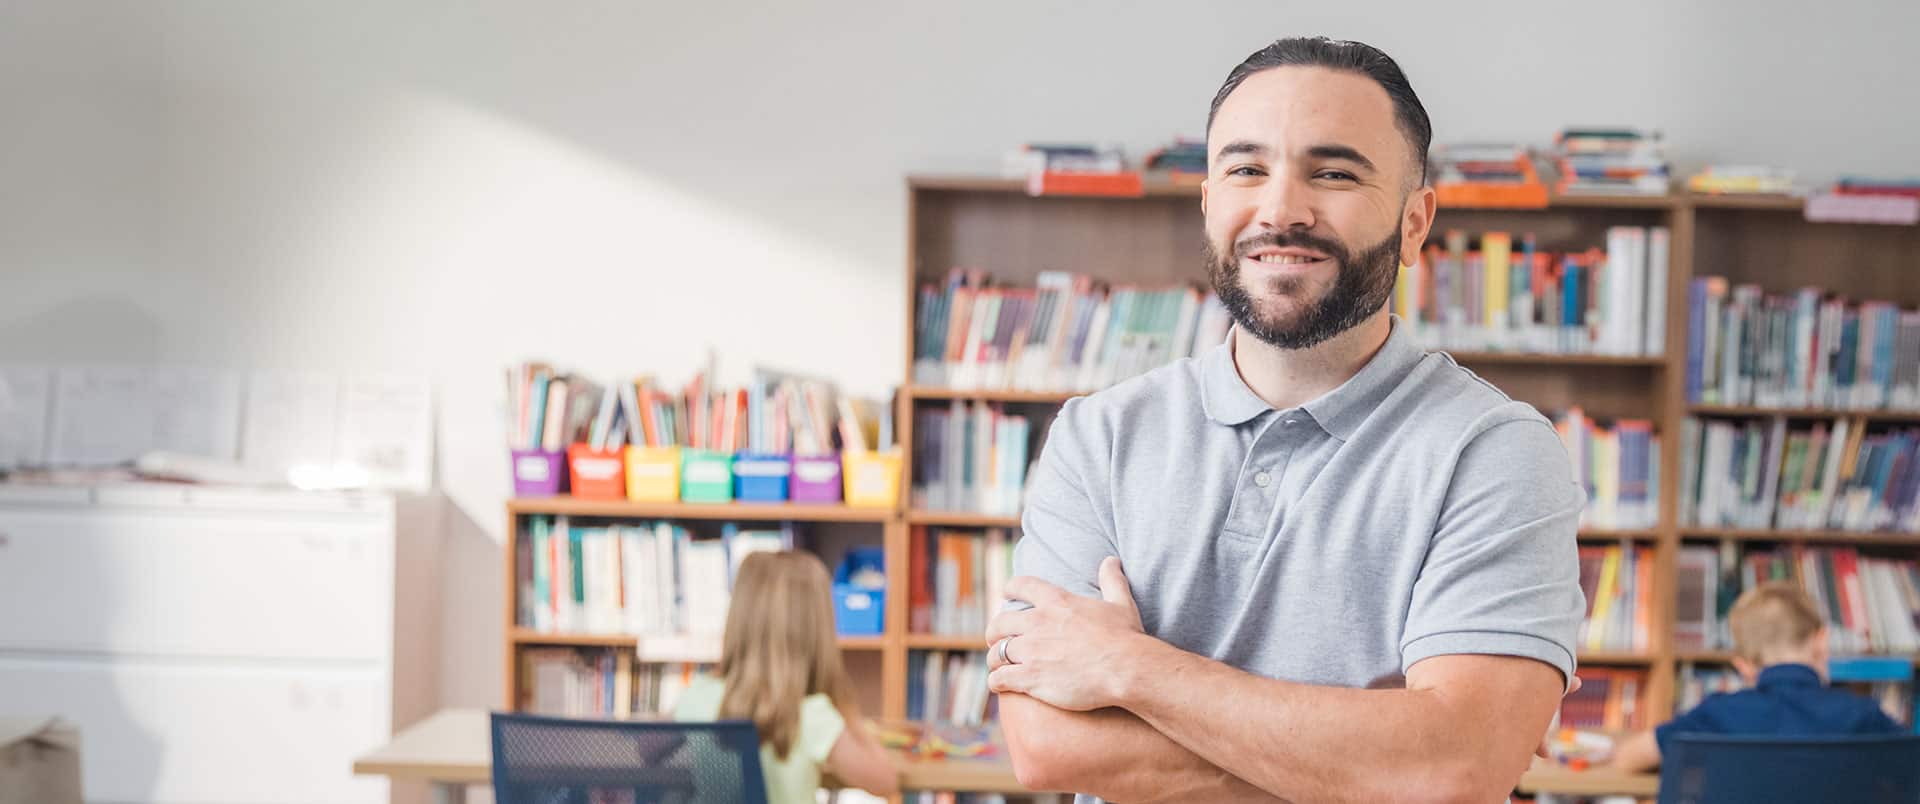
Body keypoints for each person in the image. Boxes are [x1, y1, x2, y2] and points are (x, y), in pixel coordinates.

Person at [983, 36, 1588, 803]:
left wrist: (1131, 669)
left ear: (1413, 224)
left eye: (1333, 173)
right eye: (1246, 170)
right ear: (1209, 204)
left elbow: (1458, 767)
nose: (1280, 210)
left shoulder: (1495, 452)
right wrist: (1373, 758)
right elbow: (1047, 748)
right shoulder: (1097, 436)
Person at [673, 551, 900, 802]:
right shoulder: (811, 714)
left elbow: (644, 750)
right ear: (817, 634)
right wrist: (849, 712)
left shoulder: (696, 696)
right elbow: (885, 780)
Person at [1609, 581, 1904, 771]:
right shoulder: (1864, 717)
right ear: (1821, 642)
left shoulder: (1717, 715)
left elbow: (1627, 759)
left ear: (1744, 666)